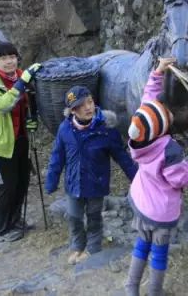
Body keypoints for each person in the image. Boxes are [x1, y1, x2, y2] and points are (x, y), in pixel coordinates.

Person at [125, 57, 188, 296]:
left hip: (142, 205)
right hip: (161, 213)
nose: (170, 112)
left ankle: (131, 287)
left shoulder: (139, 140)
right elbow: (179, 178)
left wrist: (157, 72)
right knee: (159, 254)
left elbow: (149, 99)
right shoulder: (170, 150)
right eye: (167, 115)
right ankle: (155, 291)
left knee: (141, 245)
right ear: (162, 126)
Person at [45, 85, 137, 265]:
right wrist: (51, 181)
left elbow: (122, 157)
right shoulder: (65, 129)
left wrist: (137, 178)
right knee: (74, 216)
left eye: (90, 102)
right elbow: (57, 157)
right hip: (73, 184)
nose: (87, 108)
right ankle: (77, 247)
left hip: (96, 184)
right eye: (80, 106)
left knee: (94, 217)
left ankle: (94, 249)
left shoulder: (106, 130)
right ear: (72, 111)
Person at [0, 41, 41, 242]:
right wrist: (22, 83)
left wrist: (32, 119)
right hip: (0, 142)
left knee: (22, 182)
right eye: (3, 58)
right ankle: (2, 227)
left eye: (12, 57)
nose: (9, 62)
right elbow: (1, 104)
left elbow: (29, 103)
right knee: (7, 185)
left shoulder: (21, 76)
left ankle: (15, 220)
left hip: (21, 138)